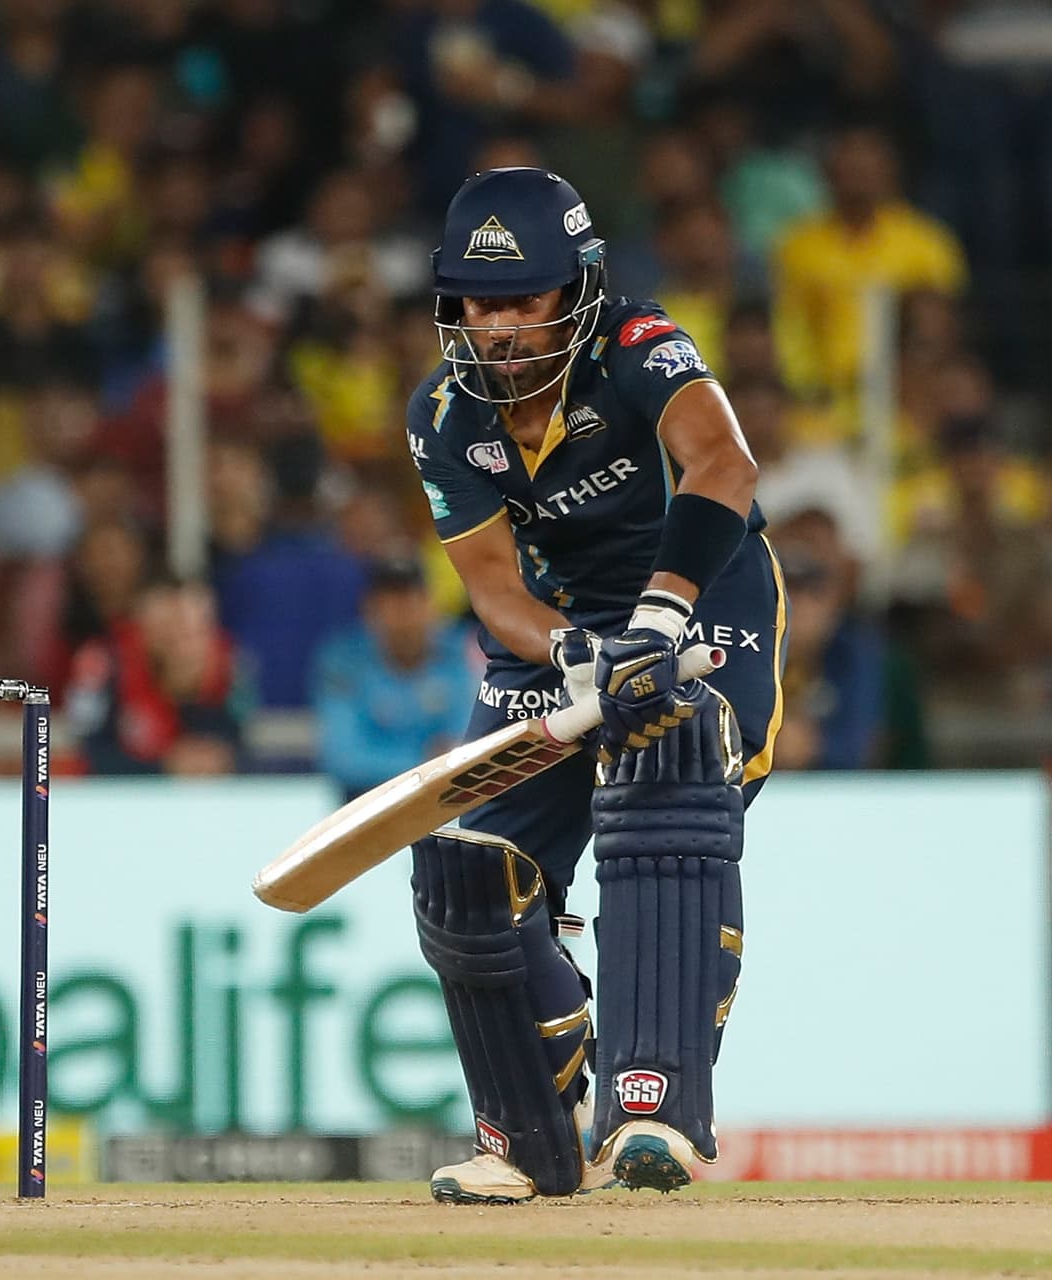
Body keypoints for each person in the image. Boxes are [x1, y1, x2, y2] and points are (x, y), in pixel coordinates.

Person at [402, 168, 787, 1202]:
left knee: (669, 778)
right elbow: (495, 593)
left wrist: (656, 622)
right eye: (478, 304)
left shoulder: (639, 346)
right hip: (564, 627)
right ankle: (531, 1131)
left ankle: (655, 1107)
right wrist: (579, 651)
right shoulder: (443, 412)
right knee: (471, 867)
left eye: (522, 300)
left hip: (703, 594)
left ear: (577, 288)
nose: (499, 328)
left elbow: (724, 465)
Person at [310, 558, 479, 803]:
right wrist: (427, 762)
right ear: (370, 610)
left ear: (430, 604)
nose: (404, 616)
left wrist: (443, 761)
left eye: (412, 600)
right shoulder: (344, 661)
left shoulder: (461, 652)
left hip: (445, 799)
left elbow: (469, 745)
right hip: (365, 802)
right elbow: (343, 759)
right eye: (392, 603)